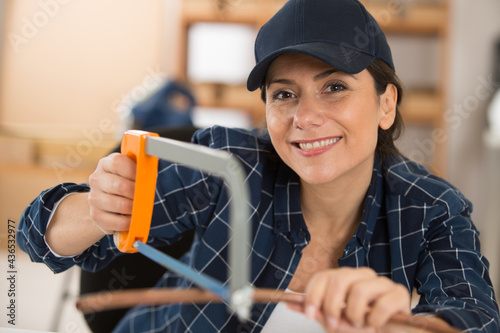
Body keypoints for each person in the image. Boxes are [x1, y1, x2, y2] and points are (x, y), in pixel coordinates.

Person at [17, 0, 499, 332]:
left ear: (386, 104)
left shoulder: (431, 208)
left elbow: (474, 315)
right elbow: (34, 235)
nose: (305, 118)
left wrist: (407, 324)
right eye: (284, 94)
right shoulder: (228, 167)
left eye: (334, 87)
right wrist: (94, 208)